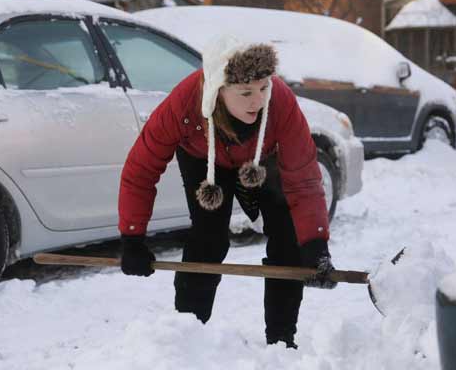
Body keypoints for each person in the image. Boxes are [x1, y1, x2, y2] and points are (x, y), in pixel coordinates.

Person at [118, 35, 336, 348]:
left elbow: (303, 178)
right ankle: (188, 335)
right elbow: (141, 169)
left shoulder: (280, 102)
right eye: (245, 92)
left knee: (288, 239)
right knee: (209, 239)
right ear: (218, 90)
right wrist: (133, 237)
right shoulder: (184, 104)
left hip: (262, 158)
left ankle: (281, 340)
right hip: (202, 157)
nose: (257, 101)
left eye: (263, 89)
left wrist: (315, 244)